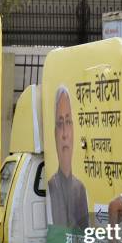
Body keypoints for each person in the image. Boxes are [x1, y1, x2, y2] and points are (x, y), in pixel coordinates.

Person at [47, 86, 89, 230]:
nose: (65, 134)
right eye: (60, 124)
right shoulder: (50, 186)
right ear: (54, 134)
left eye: (68, 122)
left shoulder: (79, 189)